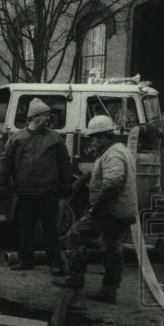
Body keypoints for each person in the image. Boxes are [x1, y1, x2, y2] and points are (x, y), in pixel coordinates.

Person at [54, 115, 138, 304]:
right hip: (123, 211)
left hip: (111, 211)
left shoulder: (113, 154)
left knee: (75, 234)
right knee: (112, 249)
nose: (93, 142)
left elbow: (113, 182)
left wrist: (95, 209)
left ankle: (75, 279)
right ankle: (109, 290)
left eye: (94, 138)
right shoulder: (118, 150)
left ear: (103, 137)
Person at [0, 97, 74, 276]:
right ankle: (25, 260)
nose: (48, 119)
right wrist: (1, 184)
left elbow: (64, 162)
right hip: (25, 191)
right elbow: (5, 163)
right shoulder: (17, 138)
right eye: (45, 115)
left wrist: (67, 183)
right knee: (26, 228)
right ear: (34, 117)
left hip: (48, 192)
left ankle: (55, 263)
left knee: (51, 229)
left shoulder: (55, 138)